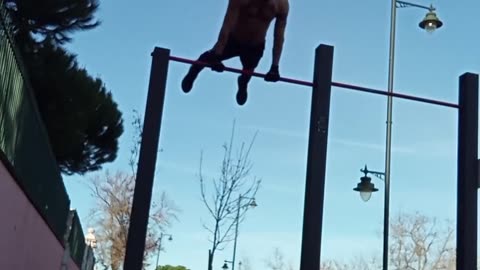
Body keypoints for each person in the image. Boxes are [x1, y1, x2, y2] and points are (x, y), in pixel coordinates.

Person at [181, 0, 289, 105]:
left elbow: (279, 37)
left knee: (248, 72)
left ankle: (243, 84)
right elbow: (227, 24)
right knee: (209, 58)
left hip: (255, 46)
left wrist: (274, 67)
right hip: (233, 39)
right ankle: (193, 73)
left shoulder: (281, 4)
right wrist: (217, 55)